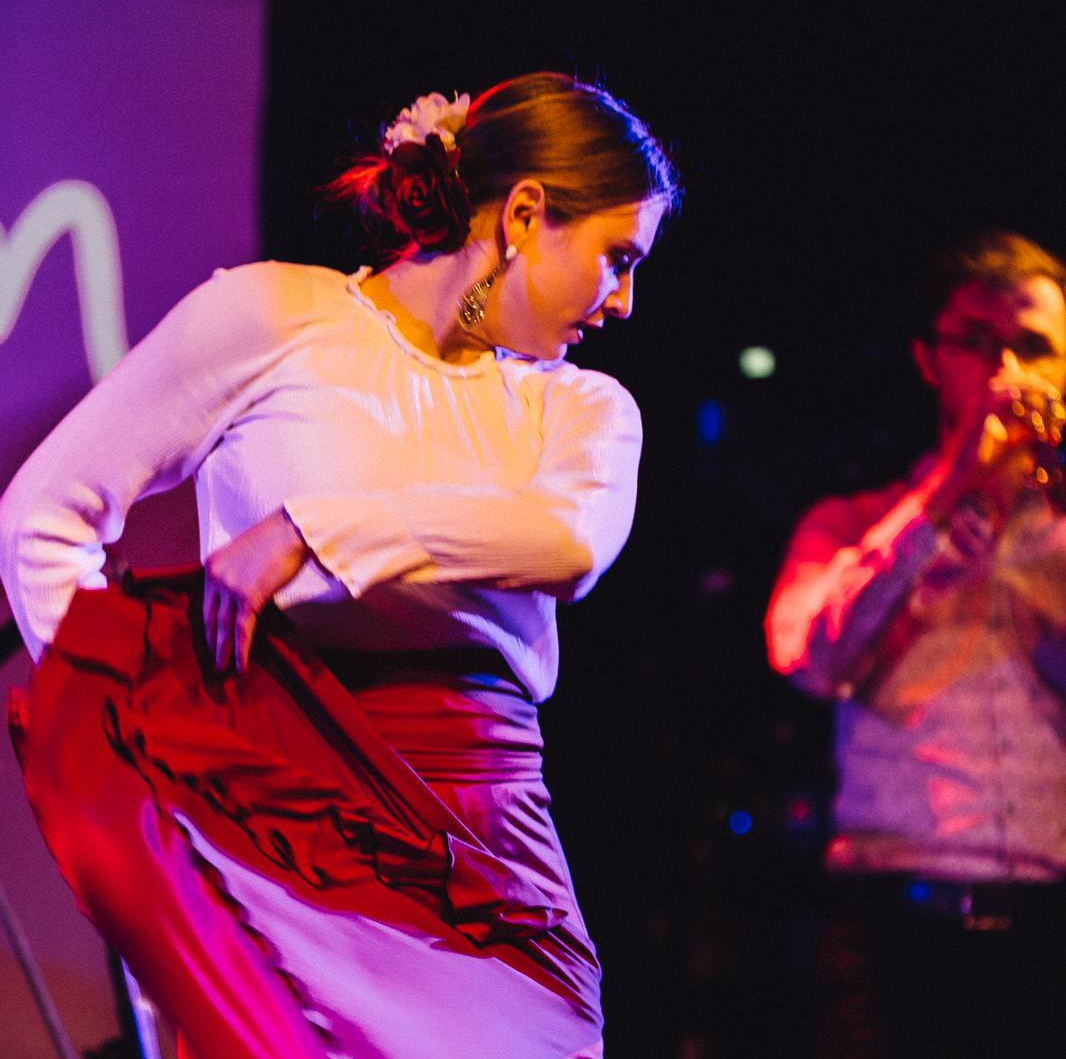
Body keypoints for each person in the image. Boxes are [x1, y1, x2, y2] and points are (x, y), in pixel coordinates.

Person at [0, 73, 680, 1059]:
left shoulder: (579, 411)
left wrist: (311, 533)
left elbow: (568, 543)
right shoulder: (274, 317)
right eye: (619, 258)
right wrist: (130, 731)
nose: (623, 301)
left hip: (482, 845)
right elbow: (42, 516)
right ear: (527, 214)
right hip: (279, 820)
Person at [765, 231, 1066, 1059]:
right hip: (889, 932)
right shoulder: (851, 522)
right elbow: (809, 659)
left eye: (1034, 347)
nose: (1007, 374)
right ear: (928, 361)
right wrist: (952, 481)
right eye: (978, 343)